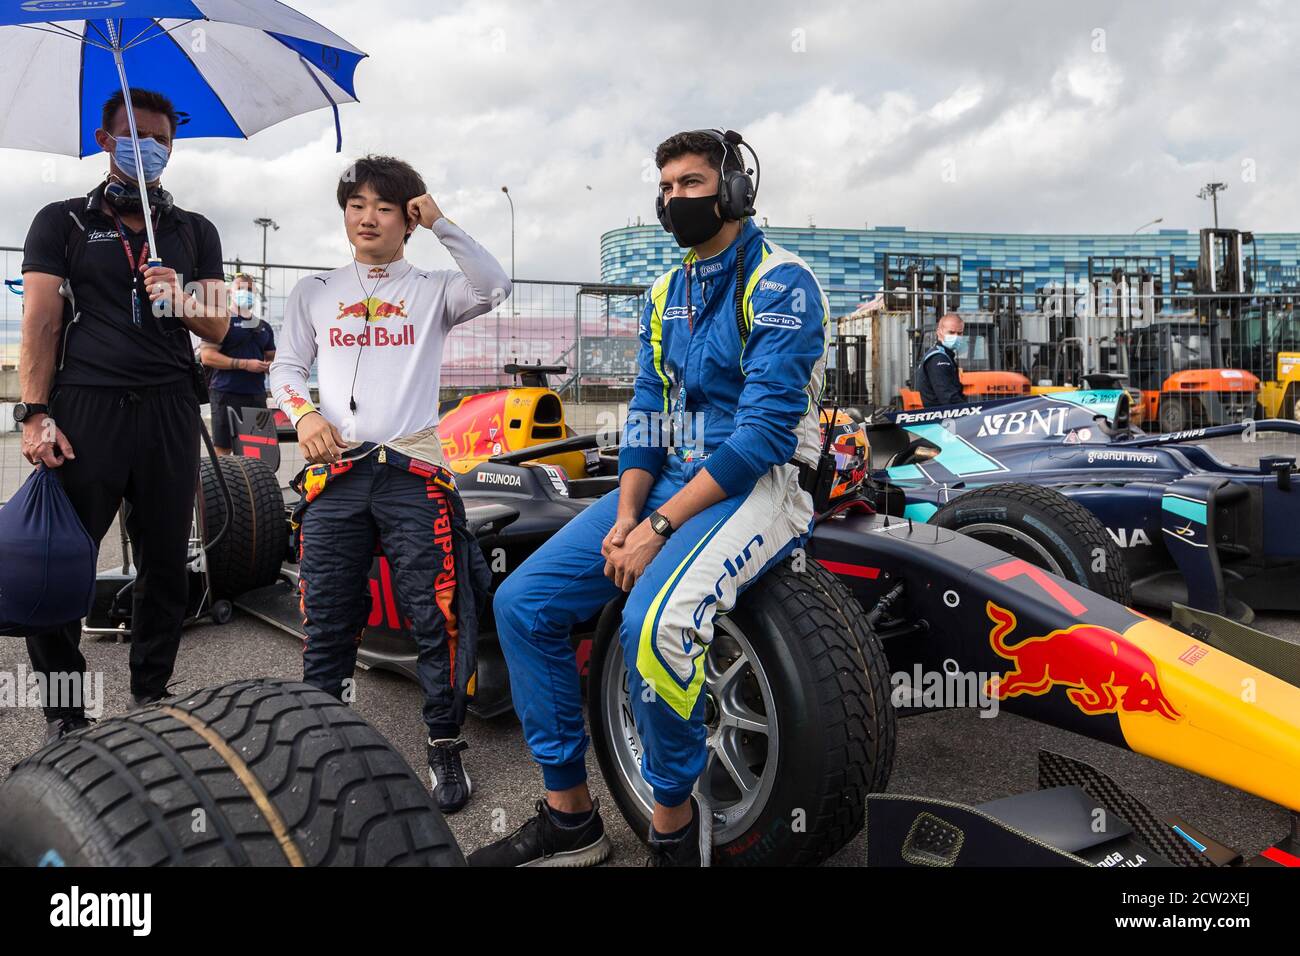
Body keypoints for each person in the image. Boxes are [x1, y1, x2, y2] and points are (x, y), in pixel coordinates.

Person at [470, 129, 828, 867]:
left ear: (734, 190)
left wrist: (660, 524)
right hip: (668, 483)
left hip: (761, 483)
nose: (674, 200)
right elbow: (645, 415)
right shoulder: (667, 290)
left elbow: (760, 438)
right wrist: (630, 514)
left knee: (653, 626)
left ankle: (671, 830)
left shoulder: (782, 282)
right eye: (665, 188)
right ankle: (571, 819)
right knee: (523, 604)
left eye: (691, 184)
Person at [269, 155, 507, 814]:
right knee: (327, 620)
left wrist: (442, 222)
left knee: (439, 616)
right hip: (336, 477)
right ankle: (323, 744)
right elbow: (285, 367)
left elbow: (494, 285)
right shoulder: (314, 289)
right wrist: (305, 413)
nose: (367, 217)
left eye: (383, 206)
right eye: (356, 205)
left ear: (408, 216)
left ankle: (443, 742)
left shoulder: (433, 286)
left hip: (414, 475)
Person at [17, 88, 229, 742]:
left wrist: (181, 298)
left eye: (162, 137)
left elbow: (219, 320)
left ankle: (150, 692)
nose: (151, 146)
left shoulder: (196, 229)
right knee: (57, 567)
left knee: (167, 563)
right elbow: (41, 324)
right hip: (88, 410)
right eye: (136, 135)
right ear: (107, 140)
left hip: (168, 408)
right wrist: (33, 413)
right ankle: (66, 714)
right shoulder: (62, 220)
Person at [201, 273, 275, 454]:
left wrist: (271, 366)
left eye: (249, 289)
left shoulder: (263, 326)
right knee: (223, 452)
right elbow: (208, 356)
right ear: (230, 292)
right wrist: (245, 364)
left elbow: (272, 357)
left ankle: (253, 483)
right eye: (240, 288)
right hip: (226, 394)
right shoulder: (220, 322)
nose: (245, 292)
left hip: (256, 396)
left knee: (257, 451)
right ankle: (224, 483)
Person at [914, 312, 966, 406]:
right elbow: (948, 397)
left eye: (959, 333)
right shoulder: (938, 358)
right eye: (951, 332)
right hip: (941, 415)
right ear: (939, 332)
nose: (956, 337)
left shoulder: (945, 355)